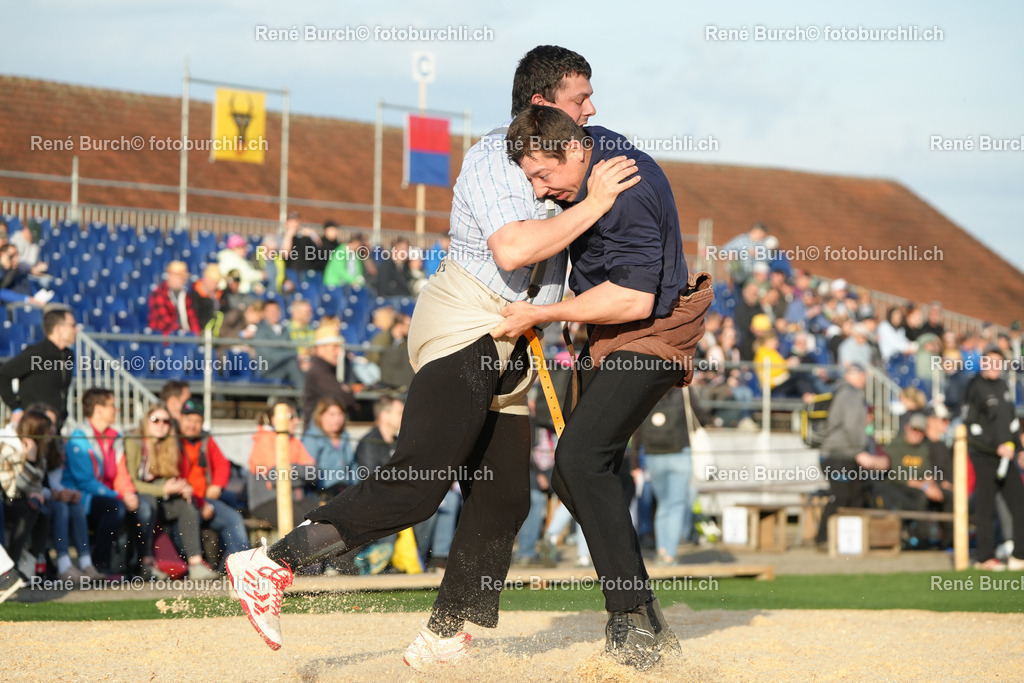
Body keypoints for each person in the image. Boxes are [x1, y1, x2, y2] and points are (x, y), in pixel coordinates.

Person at [226, 45, 640, 666]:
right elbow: (512, 250)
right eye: (581, 98)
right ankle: (267, 565)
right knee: (419, 484)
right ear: (541, 103)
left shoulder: (569, 167)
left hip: (514, 342)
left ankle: (444, 634)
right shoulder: (495, 155)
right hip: (466, 325)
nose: (592, 108)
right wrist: (595, 204)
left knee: (504, 497)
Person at [493, 104, 714, 668]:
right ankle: (647, 616)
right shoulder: (593, 161)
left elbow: (636, 300)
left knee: (581, 458)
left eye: (543, 175)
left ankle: (629, 619)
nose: (540, 191)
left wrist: (544, 313)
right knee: (576, 475)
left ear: (571, 149)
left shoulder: (625, 182)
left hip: (651, 335)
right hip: (608, 338)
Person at [63, 389, 169, 578]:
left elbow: (122, 474)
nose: (116, 409)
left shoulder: (115, 437)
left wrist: (128, 494)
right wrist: (120, 497)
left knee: (143, 506)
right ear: (98, 409)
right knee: (116, 508)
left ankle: (140, 564)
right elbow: (85, 481)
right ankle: (101, 564)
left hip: (110, 496)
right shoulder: (78, 438)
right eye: (112, 405)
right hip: (82, 497)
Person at [124, 403, 219, 580]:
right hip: (137, 496)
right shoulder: (134, 440)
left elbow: (166, 477)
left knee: (185, 504)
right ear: (147, 421)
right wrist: (163, 489)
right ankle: (146, 564)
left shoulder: (169, 443)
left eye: (166, 421)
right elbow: (131, 481)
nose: (161, 425)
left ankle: (196, 563)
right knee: (148, 502)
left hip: (159, 495)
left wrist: (182, 487)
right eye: (155, 420)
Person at [963, 347, 1024, 570]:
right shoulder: (975, 387)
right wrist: (994, 446)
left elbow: (1012, 423)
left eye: (999, 362)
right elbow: (971, 425)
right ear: (983, 363)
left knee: (1019, 503)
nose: (995, 366)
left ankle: (1019, 555)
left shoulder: (1003, 386)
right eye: (991, 362)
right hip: (985, 457)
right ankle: (984, 558)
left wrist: (1018, 448)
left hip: (1007, 458)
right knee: (985, 507)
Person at [635, 389, 709, 565]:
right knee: (675, 506)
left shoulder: (648, 389)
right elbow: (701, 417)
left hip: (654, 455)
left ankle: (661, 551)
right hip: (680, 453)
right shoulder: (684, 391)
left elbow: (638, 428)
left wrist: (635, 463)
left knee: (663, 505)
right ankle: (670, 555)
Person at [814, 364, 887, 543]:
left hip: (841, 454)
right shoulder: (850, 394)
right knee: (842, 496)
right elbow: (852, 426)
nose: (864, 379)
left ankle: (851, 540)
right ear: (852, 375)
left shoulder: (841, 392)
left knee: (856, 496)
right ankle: (824, 538)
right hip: (840, 455)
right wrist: (859, 452)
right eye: (862, 375)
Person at [177, 399, 248, 562]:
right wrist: (200, 503)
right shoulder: (173, 441)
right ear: (180, 418)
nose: (192, 425)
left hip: (205, 498)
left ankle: (236, 565)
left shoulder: (205, 439)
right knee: (233, 519)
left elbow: (222, 464)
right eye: (189, 420)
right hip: (186, 501)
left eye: (197, 421)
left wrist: (217, 485)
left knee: (232, 508)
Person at [0, 306, 76, 431]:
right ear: (58, 328)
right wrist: (16, 408)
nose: (76, 330)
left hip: (56, 429)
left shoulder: (68, 355)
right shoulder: (37, 353)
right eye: (72, 325)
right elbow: (3, 374)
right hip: (34, 428)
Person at [247, 403, 320, 528]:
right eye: (292, 417)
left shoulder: (294, 442)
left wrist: (292, 469)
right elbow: (278, 477)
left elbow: (314, 473)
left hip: (297, 499)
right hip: (267, 502)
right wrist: (301, 474)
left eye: (297, 416)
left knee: (324, 520)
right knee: (306, 528)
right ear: (276, 419)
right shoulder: (264, 440)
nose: (297, 420)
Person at [300, 324, 356, 431]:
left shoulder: (324, 369)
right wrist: (347, 391)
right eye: (334, 347)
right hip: (317, 436)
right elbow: (346, 398)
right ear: (321, 348)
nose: (338, 352)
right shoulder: (318, 372)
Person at [302, 397, 356, 497]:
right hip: (322, 490)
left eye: (340, 414)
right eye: (332, 414)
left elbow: (353, 467)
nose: (337, 419)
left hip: (345, 487)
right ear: (320, 416)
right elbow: (308, 473)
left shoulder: (344, 436)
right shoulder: (312, 438)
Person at [251, 300, 305, 388]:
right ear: (264, 313)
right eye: (271, 311)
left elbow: (291, 349)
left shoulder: (284, 330)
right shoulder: (261, 332)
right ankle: (305, 398)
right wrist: (295, 355)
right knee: (292, 364)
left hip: (286, 367)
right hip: (269, 372)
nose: (274, 314)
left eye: (277, 311)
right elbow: (271, 356)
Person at [147, 261, 199, 335]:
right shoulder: (159, 294)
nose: (183, 280)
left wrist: (195, 334)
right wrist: (183, 333)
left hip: (185, 338)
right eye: (179, 277)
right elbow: (165, 322)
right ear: (170, 276)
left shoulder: (185, 295)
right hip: (166, 339)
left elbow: (192, 318)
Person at [189, 264, 223, 333]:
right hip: (201, 331)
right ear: (205, 278)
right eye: (212, 281)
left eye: (216, 282)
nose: (215, 284)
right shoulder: (195, 294)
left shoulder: (220, 294)